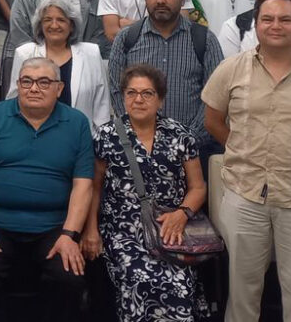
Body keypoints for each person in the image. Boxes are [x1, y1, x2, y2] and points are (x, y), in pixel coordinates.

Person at [203, 0, 291, 322]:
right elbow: (213, 120)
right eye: (267, 19)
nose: (275, 25)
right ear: (256, 25)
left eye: (285, 19)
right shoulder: (231, 69)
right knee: (242, 295)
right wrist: (243, 152)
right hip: (245, 196)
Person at [0, 56, 93, 321]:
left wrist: (69, 234)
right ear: (17, 85)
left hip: (54, 226)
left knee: (68, 276)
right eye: (27, 81)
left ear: (59, 88)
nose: (34, 88)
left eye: (44, 82)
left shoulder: (77, 122)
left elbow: (83, 184)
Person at [84, 64, 209, 321]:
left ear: (160, 99)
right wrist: (91, 230)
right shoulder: (106, 137)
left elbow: (198, 187)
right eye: (131, 93)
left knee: (180, 283)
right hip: (122, 231)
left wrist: (182, 214)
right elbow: (93, 188)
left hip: (171, 229)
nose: (138, 99)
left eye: (147, 93)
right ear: (123, 97)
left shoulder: (181, 135)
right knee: (137, 280)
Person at [108, 0, 224, 157]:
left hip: (193, 150)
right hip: (137, 149)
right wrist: (136, 132)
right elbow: (116, 90)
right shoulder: (127, 38)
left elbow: (216, 94)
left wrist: (188, 139)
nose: (160, 0)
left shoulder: (204, 39)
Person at [6, 0, 111, 133]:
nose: (54, 25)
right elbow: (14, 99)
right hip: (33, 137)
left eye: (61, 20)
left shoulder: (91, 53)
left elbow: (102, 104)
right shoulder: (24, 53)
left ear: (71, 25)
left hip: (80, 138)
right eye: (48, 20)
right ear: (40, 25)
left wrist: (101, 144)